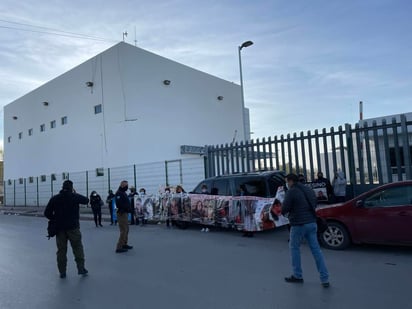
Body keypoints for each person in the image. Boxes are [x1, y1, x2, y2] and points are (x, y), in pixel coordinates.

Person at [281, 173, 330, 288]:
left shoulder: (292, 191)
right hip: (312, 223)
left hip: (298, 224)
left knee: (294, 248)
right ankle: (325, 279)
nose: (287, 184)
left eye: (287, 182)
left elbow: (284, 209)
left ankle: (297, 275)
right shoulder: (309, 189)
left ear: (291, 181)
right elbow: (314, 203)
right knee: (316, 251)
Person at [44, 180, 89, 278]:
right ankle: (81, 268)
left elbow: (46, 213)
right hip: (73, 228)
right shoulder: (74, 197)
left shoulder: (55, 198)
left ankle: (62, 272)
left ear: (62, 187)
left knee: (61, 251)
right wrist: (75, 193)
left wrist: (55, 219)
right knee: (77, 248)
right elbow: (86, 200)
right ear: (71, 188)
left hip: (59, 229)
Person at [115, 180, 133, 253]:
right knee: (123, 230)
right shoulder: (119, 193)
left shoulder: (123, 193)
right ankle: (119, 247)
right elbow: (119, 204)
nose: (127, 187)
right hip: (121, 213)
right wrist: (127, 208)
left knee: (127, 229)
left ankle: (124, 243)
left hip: (125, 213)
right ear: (122, 185)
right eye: (126, 185)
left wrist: (129, 209)